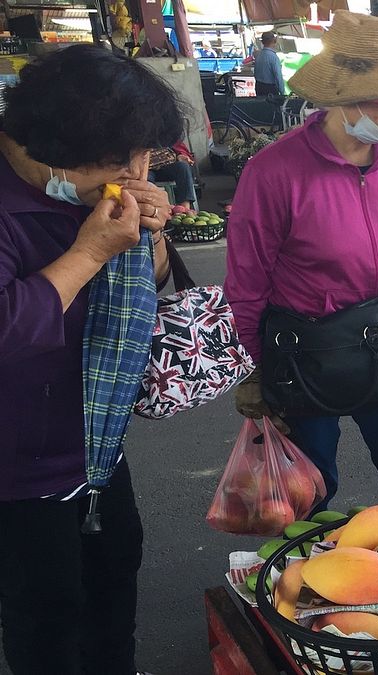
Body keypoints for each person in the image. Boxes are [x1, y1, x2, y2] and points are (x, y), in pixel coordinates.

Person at [227, 12, 378, 511]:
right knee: (310, 489)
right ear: (343, 95)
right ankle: (309, 580)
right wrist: (251, 370)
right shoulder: (273, 172)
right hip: (301, 352)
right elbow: (246, 284)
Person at [0, 44, 180, 675]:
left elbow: (144, 288)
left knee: (112, 589)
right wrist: (90, 252)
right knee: (44, 614)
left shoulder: (88, 189)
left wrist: (147, 239)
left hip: (94, 444)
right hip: (16, 470)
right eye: (129, 159)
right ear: (67, 148)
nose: (139, 172)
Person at [253, 31, 285, 97]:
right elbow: (278, 76)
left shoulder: (258, 55)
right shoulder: (273, 57)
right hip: (270, 89)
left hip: (259, 86)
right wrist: (282, 93)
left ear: (262, 42)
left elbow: (255, 73)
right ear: (274, 41)